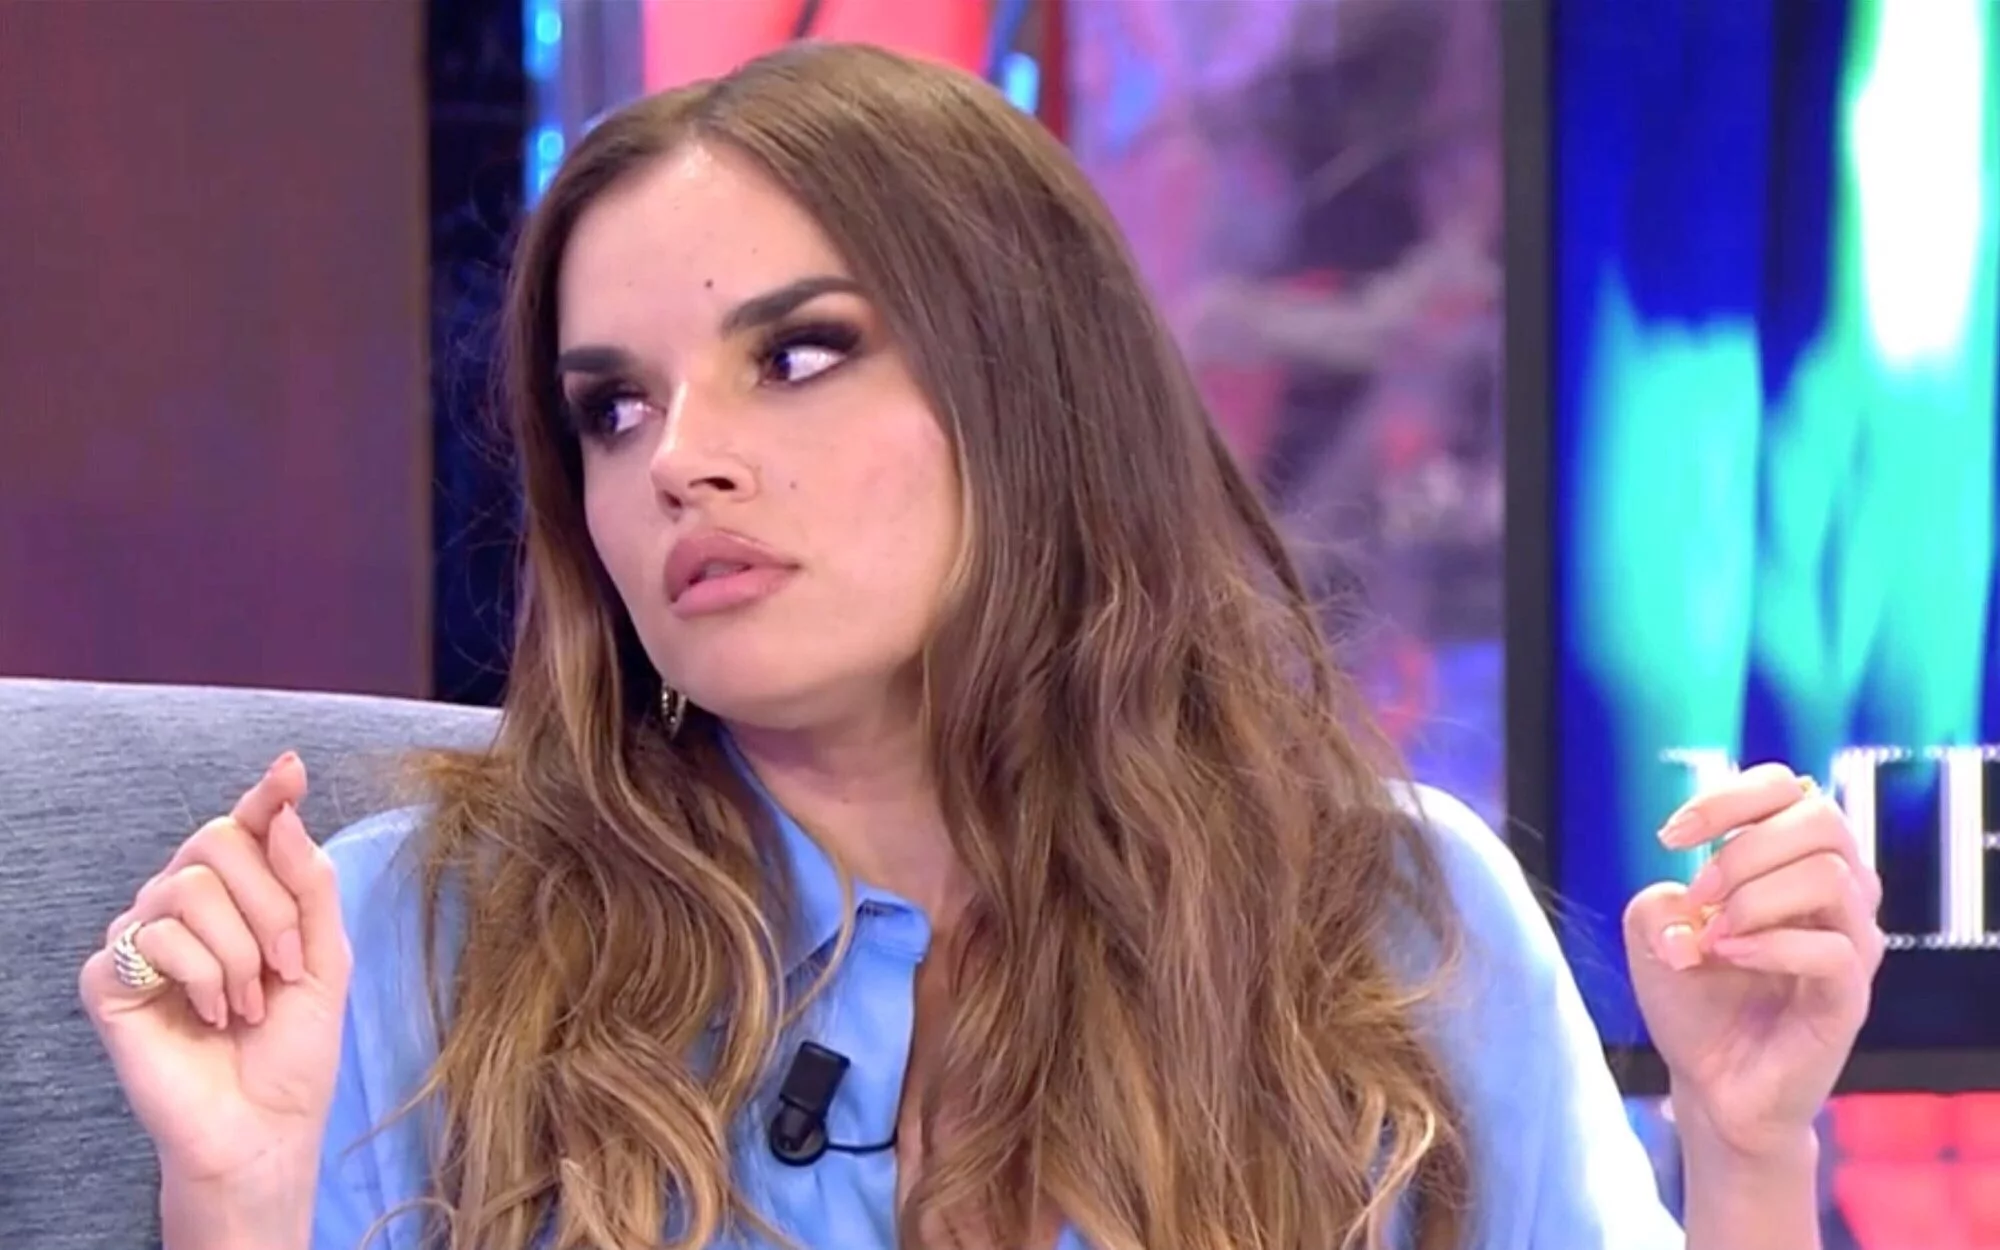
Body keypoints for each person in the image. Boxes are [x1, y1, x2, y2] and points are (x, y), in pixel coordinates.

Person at [77, 42, 1881, 1250]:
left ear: (1033, 390)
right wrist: (231, 1205)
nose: (680, 457)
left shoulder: (1387, 912)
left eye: (798, 355)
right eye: (612, 408)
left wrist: (1745, 1144)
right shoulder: (407, 935)